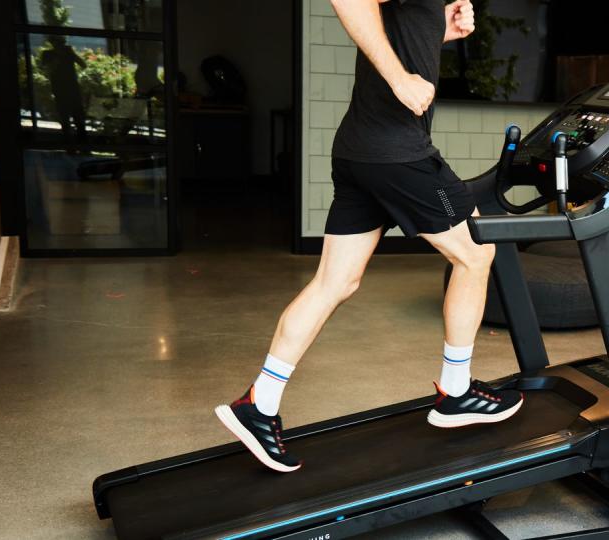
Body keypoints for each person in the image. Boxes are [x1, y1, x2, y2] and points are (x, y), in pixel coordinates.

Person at [215, 0, 523, 473]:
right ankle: (455, 392)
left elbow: (397, 31)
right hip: (397, 152)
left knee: (335, 283)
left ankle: (259, 402)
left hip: (360, 149)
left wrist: (440, 31)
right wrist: (400, 78)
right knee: (477, 252)